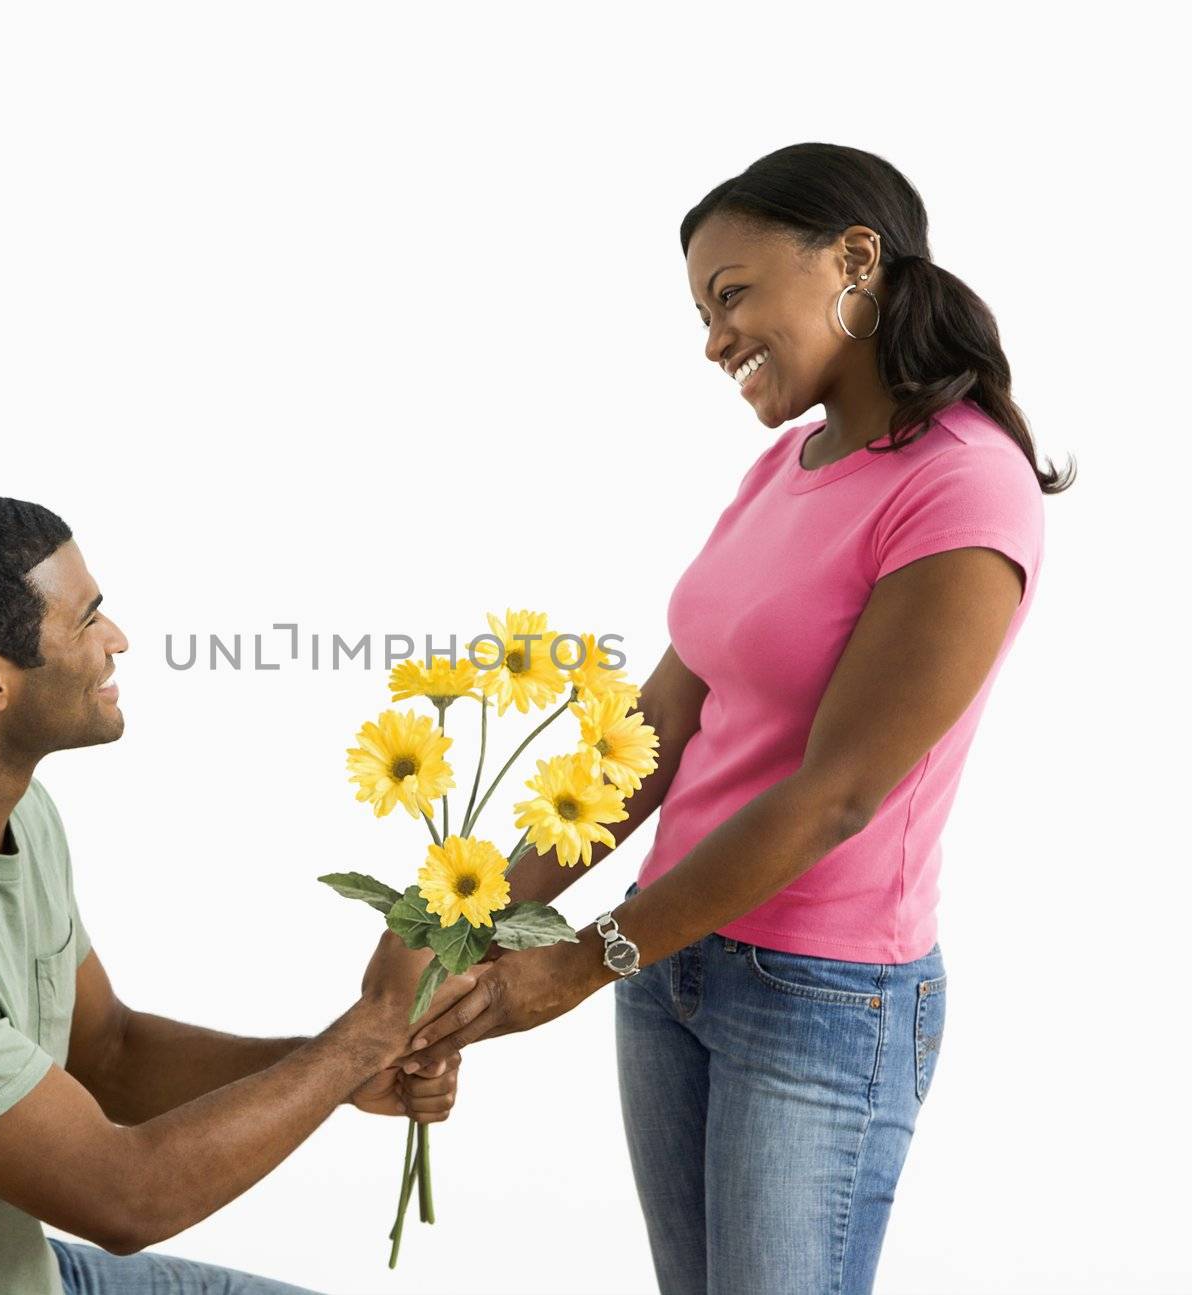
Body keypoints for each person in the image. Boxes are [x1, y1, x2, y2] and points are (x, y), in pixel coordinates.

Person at [397, 142, 1075, 1294]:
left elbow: (836, 794)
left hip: (819, 995)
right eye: (702, 311)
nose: (713, 339)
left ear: (854, 258)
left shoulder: (963, 485)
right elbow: (661, 716)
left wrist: (579, 962)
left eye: (732, 295)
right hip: (670, 961)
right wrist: (478, 911)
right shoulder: (786, 467)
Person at [0, 496, 467, 1294]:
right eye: (88, 620)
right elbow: (126, 1197)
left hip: (30, 1277)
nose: (117, 640)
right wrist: (369, 1033)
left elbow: (107, 1053)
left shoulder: (11, 807)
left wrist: (336, 1070)